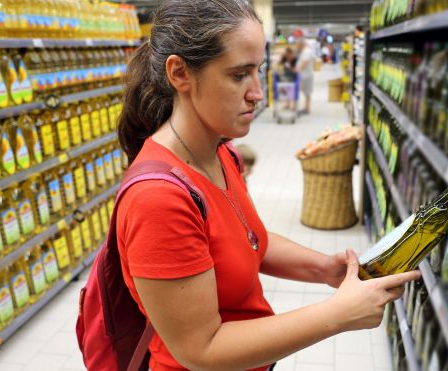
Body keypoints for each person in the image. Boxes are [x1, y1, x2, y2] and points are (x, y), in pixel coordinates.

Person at [117, 1, 421, 370]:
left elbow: (247, 239)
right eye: (239, 75)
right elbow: (200, 350)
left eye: (258, 70)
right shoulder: (158, 199)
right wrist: (337, 315)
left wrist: (322, 267)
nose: (257, 93)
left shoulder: (222, 152)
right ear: (180, 73)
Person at [295, 37, 316, 114]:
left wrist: (297, 70)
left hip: (306, 76)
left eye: (297, 45)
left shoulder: (307, 51)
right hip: (305, 75)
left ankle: (307, 109)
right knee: (306, 93)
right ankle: (306, 108)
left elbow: (305, 62)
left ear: (301, 44)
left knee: (306, 93)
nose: (297, 47)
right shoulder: (305, 50)